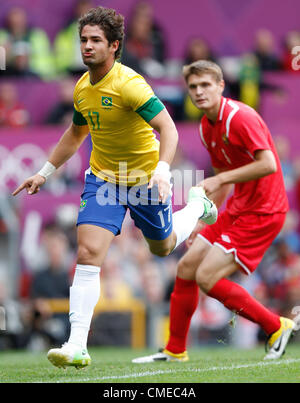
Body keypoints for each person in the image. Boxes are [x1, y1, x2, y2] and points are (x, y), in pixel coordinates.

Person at [12, 7, 217, 369]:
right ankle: (76, 344)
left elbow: (168, 129)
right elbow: (76, 133)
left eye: (95, 41)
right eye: (84, 40)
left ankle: (197, 207)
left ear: (114, 45)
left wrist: (164, 170)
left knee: (163, 246)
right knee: (88, 253)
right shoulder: (81, 88)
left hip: (143, 179)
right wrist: (44, 171)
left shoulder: (130, 84)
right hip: (104, 179)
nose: (87, 47)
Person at [132, 59, 296, 364]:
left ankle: (277, 326)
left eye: (206, 84)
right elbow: (223, 174)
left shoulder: (239, 117)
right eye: (193, 86)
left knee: (207, 278)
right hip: (238, 207)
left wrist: (220, 178)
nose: (199, 91)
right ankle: (175, 350)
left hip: (263, 211)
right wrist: (203, 220)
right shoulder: (207, 126)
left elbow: (269, 164)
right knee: (186, 269)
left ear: (221, 86)